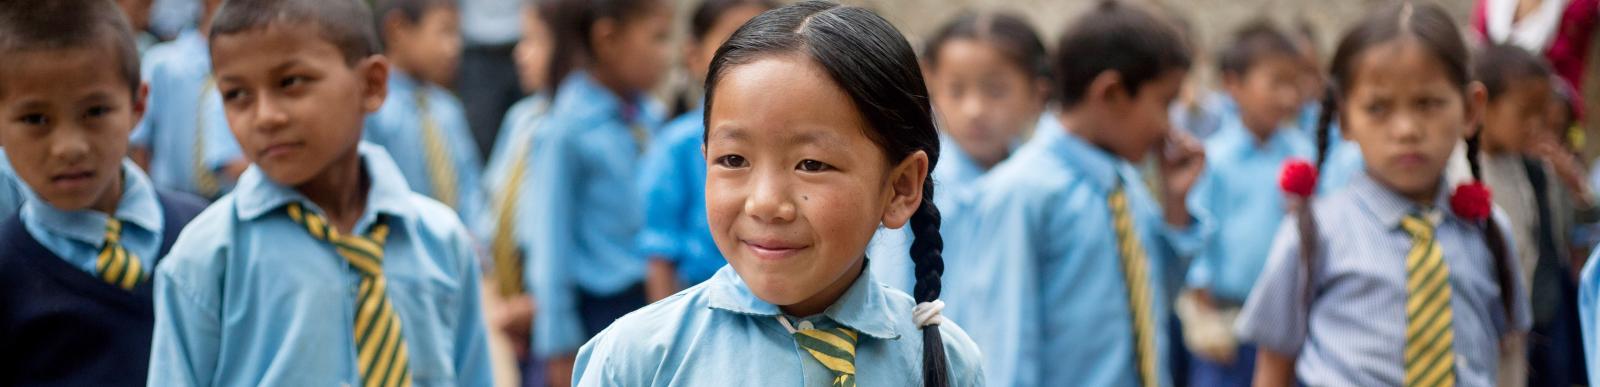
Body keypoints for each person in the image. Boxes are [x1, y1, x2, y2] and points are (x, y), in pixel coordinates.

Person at [572, 2, 983, 385]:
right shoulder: (637, 360)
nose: (765, 203)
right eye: (733, 160)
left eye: (812, 164)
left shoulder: (944, 361)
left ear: (900, 187)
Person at [146, 0, 493, 385]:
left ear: (372, 84)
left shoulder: (441, 242)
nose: (265, 117)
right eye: (237, 94)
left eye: (291, 82)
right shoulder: (205, 260)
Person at [1238, 3, 1530, 386]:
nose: (1406, 129)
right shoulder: (1315, 232)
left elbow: (1508, 356)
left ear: (1471, 110)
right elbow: (1274, 368)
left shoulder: (1489, 231)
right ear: (1344, 118)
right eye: (1378, 108)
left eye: (1428, 103)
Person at [964, 1, 1210, 385]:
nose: (1169, 125)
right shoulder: (1023, 192)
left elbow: (1152, 297)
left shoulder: (1124, 184)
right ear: (1110, 93)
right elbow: (1006, 344)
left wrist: (1175, 205)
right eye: (1164, 103)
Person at [0, 1, 208, 384]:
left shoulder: (204, 235)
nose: (68, 147)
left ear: (138, 105)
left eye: (95, 111)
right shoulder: (7, 272)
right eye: (35, 119)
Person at [519, 0, 672, 383]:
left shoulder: (651, 118)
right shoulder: (565, 130)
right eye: (658, 37)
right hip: (596, 314)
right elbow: (549, 246)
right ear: (608, 39)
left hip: (650, 302)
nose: (667, 54)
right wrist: (556, 344)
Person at [1181, 19, 1312, 387]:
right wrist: (1205, 312)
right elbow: (1197, 236)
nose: (1288, 96)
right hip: (1228, 325)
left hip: (1287, 326)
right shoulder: (1214, 159)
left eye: (1294, 83)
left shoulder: (1301, 155)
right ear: (1233, 84)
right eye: (1276, 82)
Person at [638, 0, 776, 302]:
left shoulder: (797, 137)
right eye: (735, 41)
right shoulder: (676, 144)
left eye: (769, 42)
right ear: (694, 56)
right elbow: (660, 251)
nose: (755, 57)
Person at [364, 0, 486, 223]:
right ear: (397, 29)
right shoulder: (372, 109)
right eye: (445, 31)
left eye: (457, 34)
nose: (454, 47)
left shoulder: (448, 109)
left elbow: (471, 186)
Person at [132, 0, 247, 199]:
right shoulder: (162, 64)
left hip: (232, 199)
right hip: (170, 199)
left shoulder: (250, 66)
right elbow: (139, 142)